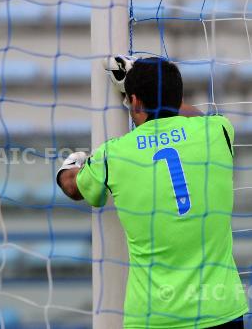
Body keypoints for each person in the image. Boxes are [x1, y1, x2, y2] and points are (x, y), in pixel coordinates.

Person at [56, 56, 249, 328]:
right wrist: (159, 95)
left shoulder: (114, 154)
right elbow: (192, 115)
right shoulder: (218, 131)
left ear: (133, 101)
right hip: (221, 311)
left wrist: (67, 167)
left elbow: (74, 188)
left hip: (154, 317)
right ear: (178, 96)